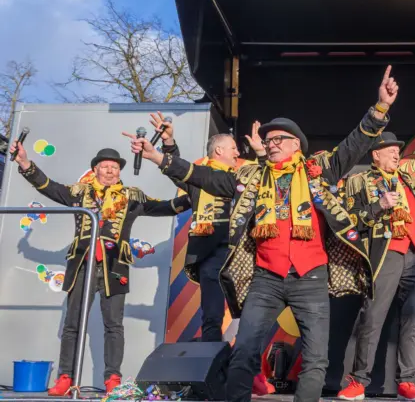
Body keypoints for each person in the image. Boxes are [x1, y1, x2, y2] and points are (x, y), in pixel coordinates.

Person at [126, 65, 399, 402]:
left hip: (311, 276)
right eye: (268, 141)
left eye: (277, 139)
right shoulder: (252, 177)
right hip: (265, 278)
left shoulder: (317, 170)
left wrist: (380, 107)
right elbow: (205, 177)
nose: (270, 144)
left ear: (296, 144)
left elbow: (354, 144)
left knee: (316, 359)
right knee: (244, 353)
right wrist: (158, 156)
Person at [8, 141, 191, 396]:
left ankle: (113, 379)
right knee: (72, 324)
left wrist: (195, 193)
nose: (110, 171)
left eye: (114, 167)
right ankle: (65, 377)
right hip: (82, 264)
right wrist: (25, 163)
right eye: (105, 166)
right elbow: (48, 186)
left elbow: (167, 207)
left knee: (114, 325)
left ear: (119, 171)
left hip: (114, 267)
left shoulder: (132, 196)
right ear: (95, 169)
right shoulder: (79, 192)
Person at [149, 113, 275, 395]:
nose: (237, 153)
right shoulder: (198, 178)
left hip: (242, 257)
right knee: (212, 318)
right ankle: (210, 377)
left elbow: (269, 178)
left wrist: (261, 151)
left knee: (251, 318)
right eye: (234, 148)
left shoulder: (243, 176)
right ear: (218, 150)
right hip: (211, 257)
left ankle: (250, 372)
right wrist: (168, 143)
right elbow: (178, 169)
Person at [337, 132, 415, 401]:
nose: (397, 154)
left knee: (414, 320)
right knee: (372, 317)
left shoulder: (408, 180)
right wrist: (379, 205)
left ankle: (407, 381)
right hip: (385, 254)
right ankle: (359, 381)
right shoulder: (359, 181)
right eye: (390, 150)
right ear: (376, 154)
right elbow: (350, 220)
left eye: (398, 150)